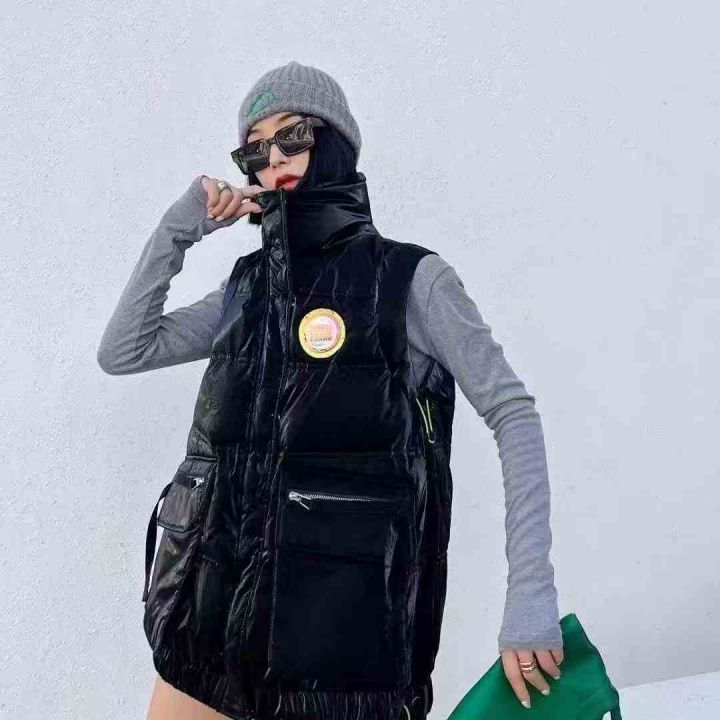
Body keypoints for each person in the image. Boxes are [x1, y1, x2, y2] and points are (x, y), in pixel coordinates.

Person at [97, 61, 564, 720]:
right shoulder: (244, 290)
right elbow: (124, 350)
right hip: (208, 635)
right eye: (255, 150)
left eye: (294, 135)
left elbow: (513, 414)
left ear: (336, 139)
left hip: (342, 658)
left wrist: (530, 597)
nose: (274, 159)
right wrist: (182, 225)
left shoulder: (411, 281)